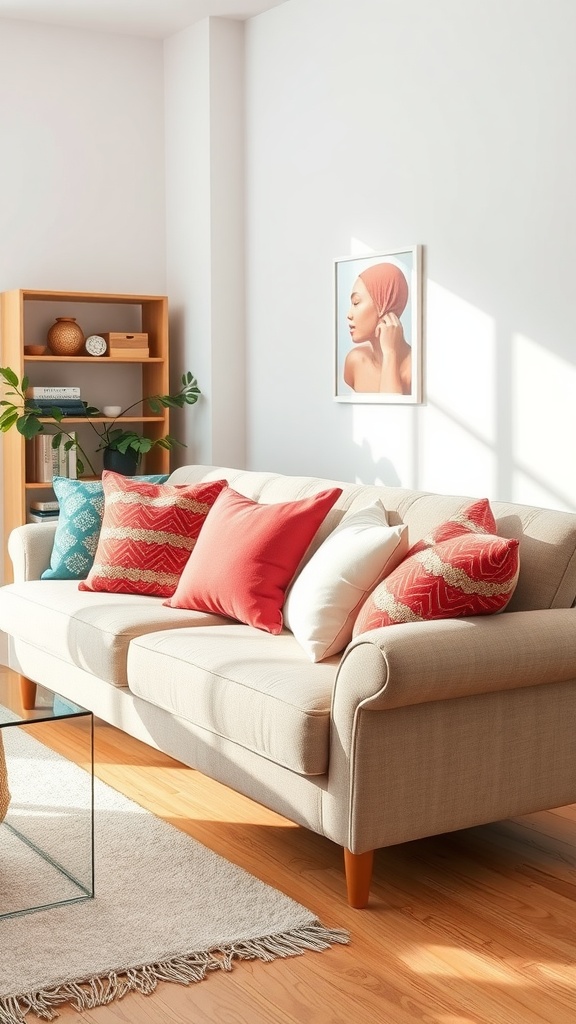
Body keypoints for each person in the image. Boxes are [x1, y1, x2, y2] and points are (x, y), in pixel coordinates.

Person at [343, 261, 412, 394]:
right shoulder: (355, 362)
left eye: (356, 302)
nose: (349, 315)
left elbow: (392, 412)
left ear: (385, 305)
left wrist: (390, 354)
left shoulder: (416, 369)